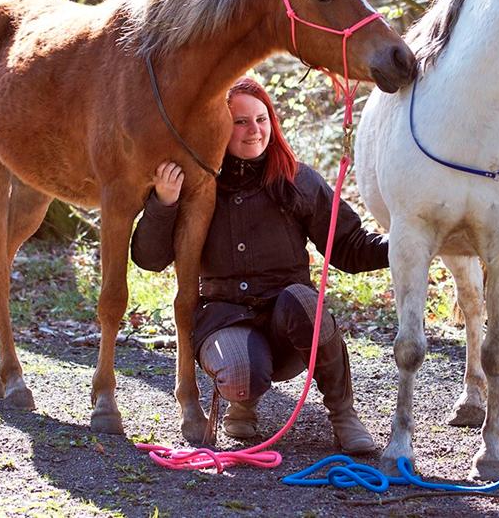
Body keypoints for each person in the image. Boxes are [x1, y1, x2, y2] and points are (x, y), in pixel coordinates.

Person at [130, 77, 389, 454]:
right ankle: (242, 401)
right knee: (238, 373)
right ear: (217, 125)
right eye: (240, 121)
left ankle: (344, 414)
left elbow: (349, 247)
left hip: (289, 323)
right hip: (225, 318)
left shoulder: (298, 180)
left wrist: (404, 245)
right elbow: (149, 259)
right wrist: (164, 203)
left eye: (262, 118)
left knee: (303, 302)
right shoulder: (198, 185)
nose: (255, 130)